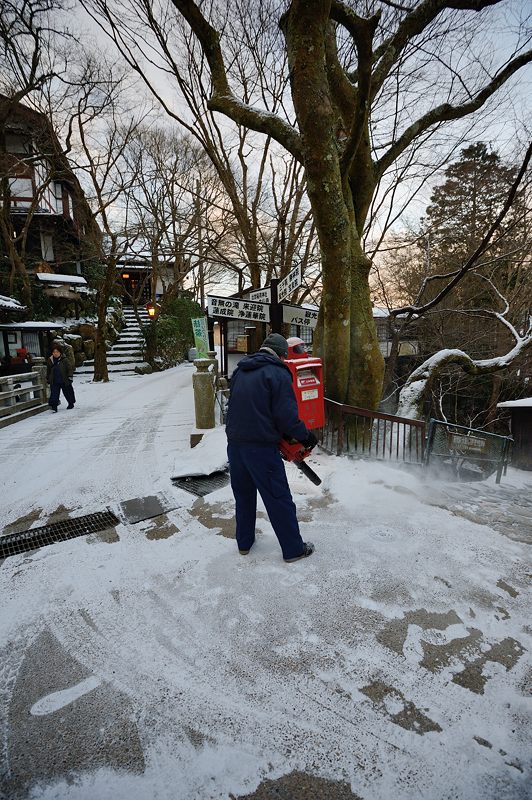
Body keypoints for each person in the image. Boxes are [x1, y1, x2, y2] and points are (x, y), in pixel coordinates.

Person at [225, 332, 318, 563]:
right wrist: (306, 436)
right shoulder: (277, 373)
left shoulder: (240, 371)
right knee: (278, 499)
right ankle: (294, 549)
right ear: (281, 355)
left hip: (235, 446)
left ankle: (244, 543)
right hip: (261, 449)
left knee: (244, 496)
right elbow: (286, 416)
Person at [47, 343, 75, 412]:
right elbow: (48, 370)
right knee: (54, 394)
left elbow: (70, 368)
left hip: (64, 379)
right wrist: (48, 378)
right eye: (54, 352)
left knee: (67, 392)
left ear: (60, 352)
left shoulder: (64, 359)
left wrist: (70, 376)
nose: (55, 353)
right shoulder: (50, 360)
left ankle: (71, 403)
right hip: (54, 380)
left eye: (57, 352)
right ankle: (54, 407)